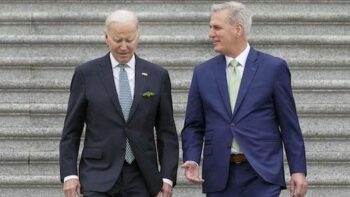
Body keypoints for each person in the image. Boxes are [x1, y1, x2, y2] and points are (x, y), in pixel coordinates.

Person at [181, 1, 307, 197]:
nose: (210, 33)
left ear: (237, 29)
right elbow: (193, 125)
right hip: (219, 176)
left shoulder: (273, 68)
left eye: (217, 27)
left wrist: (298, 170)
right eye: (210, 27)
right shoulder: (202, 72)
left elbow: (289, 125)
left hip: (261, 175)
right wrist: (192, 158)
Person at [59, 9, 179, 197]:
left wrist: (167, 178)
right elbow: (71, 131)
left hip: (143, 176)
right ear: (106, 37)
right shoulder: (86, 74)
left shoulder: (158, 76)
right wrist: (69, 175)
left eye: (129, 40)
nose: (124, 46)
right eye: (117, 40)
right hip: (97, 175)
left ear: (138, 37)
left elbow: (167, 133)